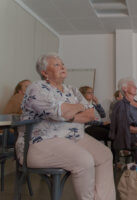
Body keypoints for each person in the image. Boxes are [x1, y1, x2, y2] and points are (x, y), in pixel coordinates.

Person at [15, 53, 115, 200]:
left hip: (74, 138)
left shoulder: (72, 90)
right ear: (44, 72)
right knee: (84, 160)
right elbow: (61, 111)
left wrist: (68, 113)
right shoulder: (36, 88)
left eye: (62, 64)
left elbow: (90, 115)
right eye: (56, 64)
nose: (62, 66)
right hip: (40, 142)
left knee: (105, 155)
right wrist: (78, 107)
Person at [1, 80, 31, 146]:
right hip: (10, 134)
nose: (30, 88)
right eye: (27, 86)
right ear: (19, 91)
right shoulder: (19, 97)